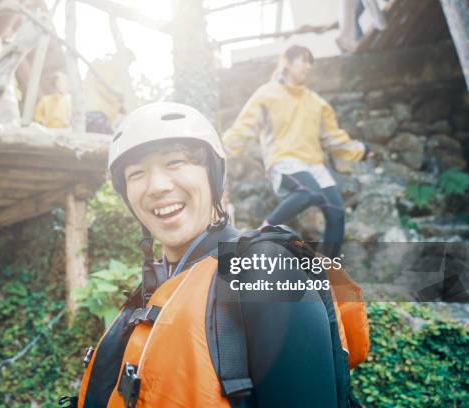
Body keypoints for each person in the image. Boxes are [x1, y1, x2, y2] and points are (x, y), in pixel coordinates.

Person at [71, 102, 345, 408]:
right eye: (136, 173)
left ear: (213, 176)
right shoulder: (160, 283)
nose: (157, 186)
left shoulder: (264, 270)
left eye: (175, 162)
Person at [223, 45, 372, 258]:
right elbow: (244, 127)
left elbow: (333, 136)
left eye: (310, 62)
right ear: (287, 62)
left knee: (337, 213)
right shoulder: (267, 94)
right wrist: (221, 148)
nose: (308, 66)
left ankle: (329, 273)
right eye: (303, 60)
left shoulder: (315, 102)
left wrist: (361, 150)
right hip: (284, 160)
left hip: (314, 165)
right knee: (310, 192)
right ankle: (262, 233)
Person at [83, 51, 136, 134]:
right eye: (128, 63)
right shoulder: (108, 67)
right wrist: (119, 100)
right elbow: (103, 88)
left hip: (95, 115)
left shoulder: (111, 70)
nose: (127, 68)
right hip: (95, 114)